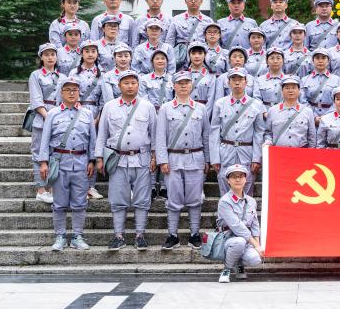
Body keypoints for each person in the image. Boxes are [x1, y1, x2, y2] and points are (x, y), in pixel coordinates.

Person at [94, 70, 157, 251]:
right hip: (118, 159)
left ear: (138, 85)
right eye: (126, 83)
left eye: (133, 83)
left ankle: (140, 235)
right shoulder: (109, 106)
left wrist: (155, 156)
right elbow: (102, 134)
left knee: (142, 199)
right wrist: (99, 157)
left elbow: (155, 134)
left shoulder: (147, 106)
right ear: (119, 86)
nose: (130, 86)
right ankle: (118, 236)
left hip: (142, 158)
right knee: (117, 198)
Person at [37, 76, 96, 251]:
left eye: (75, 90)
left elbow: (92, 140)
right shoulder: (53, 113)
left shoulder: (87, 113)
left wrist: (92, 160)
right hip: (59, 162)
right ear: (61, 92)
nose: (71, 93)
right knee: (59, 203)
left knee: (80, 202)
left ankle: (77, 236)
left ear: (79, 92)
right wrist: (43, 162)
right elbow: (45, 139)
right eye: (68, 90)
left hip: (81, 162)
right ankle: (60, 236)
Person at [155, 71, 209, 250]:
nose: (184, 85)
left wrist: (207, 159)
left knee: (195, 199)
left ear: (192, 85)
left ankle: (194, 234)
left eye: (187, 82)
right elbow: (160, 136)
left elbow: (206, 136)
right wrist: (162, 160)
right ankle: (172, 235)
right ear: (174, 86)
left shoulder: (201, 108)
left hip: (195, 157)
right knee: (173, 198)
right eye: (180, 83)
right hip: (174, 158)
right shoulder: (166, 108)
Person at [208, 68, 266, 197]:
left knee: (247, 187)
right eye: (233, 79)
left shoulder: (256, 105)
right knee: (225, 186)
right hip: (226, 150)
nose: (237, 82)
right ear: (228, 82)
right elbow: (214, 131)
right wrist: (215, 158)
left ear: (246, 82)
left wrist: (256, 158)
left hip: (246, 151)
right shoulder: (220, 103)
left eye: (240, 79)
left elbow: (259, 133)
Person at [216, 164, 262, 283]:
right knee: (239, 242)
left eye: (241, 176)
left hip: (246, 240)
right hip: (227, 239)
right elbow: (237, 227)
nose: (237, 179)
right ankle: (227, 269)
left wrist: (257, 244)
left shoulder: (251, 201)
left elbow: (255, 224)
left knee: (255, 259)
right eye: (234, 177)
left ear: (245, 179)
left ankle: (239, 264)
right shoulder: (224, 201)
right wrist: (255, 245)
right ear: (228, 181)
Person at [28, 43, 61, 204]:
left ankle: (53, 187)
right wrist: (48, 117)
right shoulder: (36, 75)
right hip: (42, 118)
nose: (50, 57)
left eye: (53, 54)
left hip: (58, 118)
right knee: (38, 153)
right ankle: (41, 189)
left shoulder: (62, 76)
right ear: (41, 57)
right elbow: (36, 99)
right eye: (46, 54)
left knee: (55, 153)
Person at [263, 76, 316, 148]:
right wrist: (268, 142)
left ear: (299, 90)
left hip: (301, 152)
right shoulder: (272, 110)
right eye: (287, 88)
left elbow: (312, 137)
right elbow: (268, 133)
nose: (290, 90)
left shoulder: (307, 111)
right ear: (282, 91)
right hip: (278, 152)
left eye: (293, 88)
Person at [166, 0, 212, 65]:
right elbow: (169, 43)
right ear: (185, 1)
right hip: (182, 60)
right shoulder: (176, 19)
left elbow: (212, 43)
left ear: (201, 1)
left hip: (202, 61)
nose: (193, 1)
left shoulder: (208, 21)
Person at [301, 48, 340, 117]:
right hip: (310, 116)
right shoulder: (304, 80)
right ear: (312, 61)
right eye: (317, 58)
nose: (320, 61)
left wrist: (327, 117)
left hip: (331, 116)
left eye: (323, 58)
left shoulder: (337, 80)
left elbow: (339, 100)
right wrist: (313, 116)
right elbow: (302, 100)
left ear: (328, 61)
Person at [185, 42, 220, 115]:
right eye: (193, 53)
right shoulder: (183, 75)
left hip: (203, 113)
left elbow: (210, 101)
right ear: (189, 55)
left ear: (205, 55)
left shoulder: (211, 76)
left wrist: (205, 117)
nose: (197, 56)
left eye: (200, 53)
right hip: (185, 113)